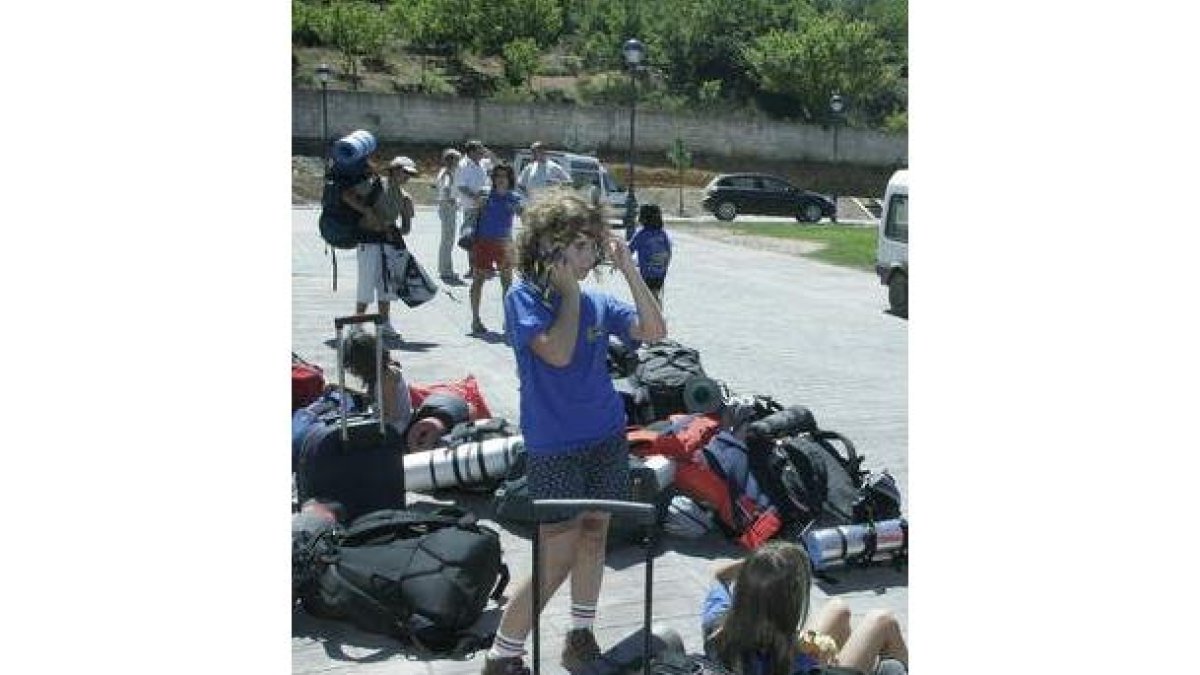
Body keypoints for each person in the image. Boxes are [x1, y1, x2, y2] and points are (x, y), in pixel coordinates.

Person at [480, 190, 667, 675]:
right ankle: (503, 655)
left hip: (605, 437)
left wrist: (630, 269)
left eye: (593, 245)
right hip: (555, 447)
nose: (593, 255)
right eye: (583, 246)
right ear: (551, 246)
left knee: (593, 537)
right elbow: (558, 353)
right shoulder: (524, 297)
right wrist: (569, 294)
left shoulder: (596, 299)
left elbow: (654, 331)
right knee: (555, 558)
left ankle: (579, 637)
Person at [701, 542, 908, 675]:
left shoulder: (717, 623)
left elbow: (717, 574)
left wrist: (761, 563)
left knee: (838, 608)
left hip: (757, 660)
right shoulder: (796, 661)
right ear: (789, 606)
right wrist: (824, 662)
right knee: (882, 621)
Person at [345, 155, 418, 340]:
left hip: (388, 244)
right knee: (366, 284)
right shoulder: (375, 184)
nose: (407, 176)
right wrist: (367, 212)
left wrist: (402, 219)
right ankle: (356, 325)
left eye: (410, 174)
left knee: (387, 287)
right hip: (368, 242)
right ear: (393, 170)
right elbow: (347, 196)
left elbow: (406, 229)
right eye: (404, 172)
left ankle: (384, 324)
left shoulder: (404, 197)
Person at [469, 163, 523, 335]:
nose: (500, 179)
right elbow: (472, 215)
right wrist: (479, 204)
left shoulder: (514, 198)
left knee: (507, 284)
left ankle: (508, 321)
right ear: (493, 178)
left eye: (504, 176)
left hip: (504, 244)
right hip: (483, 242)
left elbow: (525, 216)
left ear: (509, 179)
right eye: (497, 176)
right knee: (478, 282)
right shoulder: (485, 194)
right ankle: (475, 320)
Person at [340, 330, 412, 434]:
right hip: (383, 420)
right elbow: (374, 396)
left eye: (354, 365)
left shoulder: (387, 376)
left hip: (395, 427)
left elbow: (391, 415)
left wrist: (365, 424)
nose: (353, 370)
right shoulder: (379, 372)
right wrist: (341, 388)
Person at [455, 140, 489, 278]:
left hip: (484, 206)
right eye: (479, 150)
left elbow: (498, 162)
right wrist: (476, 198)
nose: (482, 152)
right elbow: (461, 186)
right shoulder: (463, 165)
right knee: (471, 238)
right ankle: (472, 268)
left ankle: (481, 266)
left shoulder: (481, 163)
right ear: (471, 152)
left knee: (483, 238)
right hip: (472, 207)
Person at [627, 203, 672, 305]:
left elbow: (629, 250)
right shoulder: (662, 233)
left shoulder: (641, 234)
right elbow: (668, 251)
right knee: (656, 293)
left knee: (646, 297)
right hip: (661, 272)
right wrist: (664, 266)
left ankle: (651, 316)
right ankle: (658, 312)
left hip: (647, 273)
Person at [435, 147, 462, 281]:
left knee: (446, 239)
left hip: (443, 206)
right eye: (457, 159)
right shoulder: (448, 174)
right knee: (448, 239)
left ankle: (444, 268)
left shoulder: (443, 171)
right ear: (452, 161)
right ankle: (446, 270)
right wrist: (452, 201)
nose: (459, 162)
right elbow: (446, 188)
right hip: (447, 207)